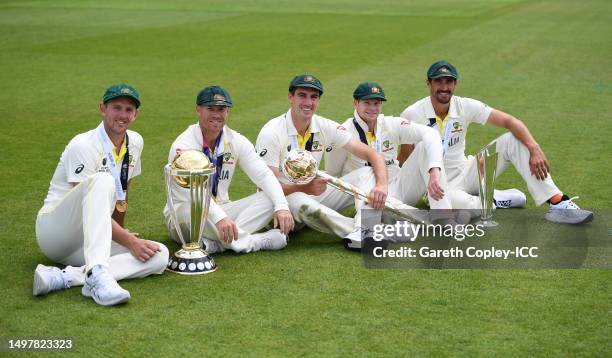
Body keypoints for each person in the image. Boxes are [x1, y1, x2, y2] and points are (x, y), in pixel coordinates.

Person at [400, 60, 593, 224]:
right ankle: (491, 198)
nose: (444, 87)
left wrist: (535, 148)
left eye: (449, 81)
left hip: (467, 171)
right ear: (428, 83)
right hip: (437, 184)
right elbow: (405, 158)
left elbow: (510, 121)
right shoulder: (412, 113)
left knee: (512, 139)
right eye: (438, 81)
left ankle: (558, 202)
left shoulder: (464, 105)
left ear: (455, 84)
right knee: (463, 208)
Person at [34, 84, 169, 306]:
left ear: (136, 114)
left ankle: (66, 277)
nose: (122, 115)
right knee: (102, 180)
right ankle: (96, 271)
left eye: (128, 110)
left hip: (87, 239)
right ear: (102, 109)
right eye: (116, 108)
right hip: (56, 232)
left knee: (158, 254)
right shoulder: (83, 145)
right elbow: (89, 201)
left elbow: (122, 192)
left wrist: (122, 232)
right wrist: (127, 240)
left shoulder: (135, 142)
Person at [325, 82, 457, 249]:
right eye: (367, 103)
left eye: (377, 103)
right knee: (367, 173)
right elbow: (334, 173)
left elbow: (430, 133)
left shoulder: (391, 124)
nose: (373, 108)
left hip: (397, 189)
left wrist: (434, 171)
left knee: (425, 146)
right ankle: (374, 227)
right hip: (368, 198)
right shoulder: (343, 132)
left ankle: (443, 218)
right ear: (355, 103)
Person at [255, 74, 388, 240]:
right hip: (281, 205)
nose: (308, 103)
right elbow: (265, 189)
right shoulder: (271, 132)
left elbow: (372, 154)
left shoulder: (324, 125)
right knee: (299, 200)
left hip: (313, 192)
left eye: (314, 97)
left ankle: (365, 226)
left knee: (366, 173)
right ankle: (359, 230)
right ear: (291, 97)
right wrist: (305, 188)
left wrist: (382, 185)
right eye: (302, 95)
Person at [164, 85, 294, 254]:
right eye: (210, 108)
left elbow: (264, 175)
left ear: (228, 112)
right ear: (198, 109)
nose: (217, 114)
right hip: (185, 214)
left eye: (222, 109)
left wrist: (282, 206)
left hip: (224, 209)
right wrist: (219, 218)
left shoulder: (235, 140)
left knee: (272, 198)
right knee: (188, 210)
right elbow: (191, 194)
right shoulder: (183, 146)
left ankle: (216, 245)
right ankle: (256, 241)